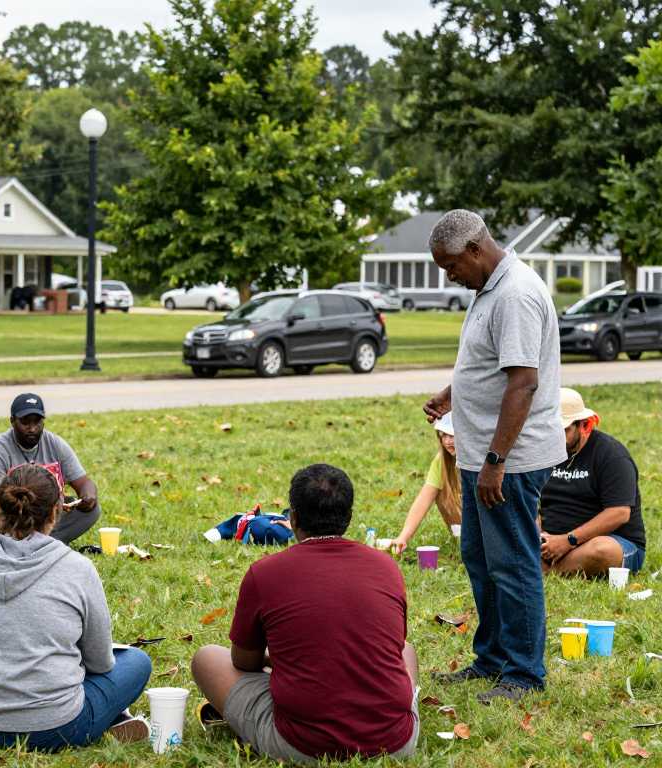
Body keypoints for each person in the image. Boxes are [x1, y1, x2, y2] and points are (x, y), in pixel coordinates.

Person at [424, 209, 565, 704]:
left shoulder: (516, 294)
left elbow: (524, 382)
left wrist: (496, 460)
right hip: (482, 450)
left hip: (511, 458)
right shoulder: (488, 288)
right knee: (480, 558)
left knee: (513, 562)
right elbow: (490, 363)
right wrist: (451, 394)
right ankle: (492, 660)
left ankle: (524, 674)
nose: (449, 276)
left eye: (450, 266)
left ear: (474, 251)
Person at [190, 464, 419, 762]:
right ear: (348, 518)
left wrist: (280, 659)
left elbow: (243, 661)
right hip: (395, 743)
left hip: (301, 745)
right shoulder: (387, 567)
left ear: (293, 518)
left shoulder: (264, 573)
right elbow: (390, 645)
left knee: (206, 658)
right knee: (407, 651)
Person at [0, 463, 152, 750]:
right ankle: (106, 719)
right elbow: (101, 662)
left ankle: (106, 718)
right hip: (53, 728)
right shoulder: (77, 568)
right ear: (57, 510)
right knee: (137, 662)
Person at [539, 388, 646, 577]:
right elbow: (531, 500)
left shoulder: (611, 455)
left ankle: (546, 571)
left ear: (585, 425)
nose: (555, 436)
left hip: (610, 542)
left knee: (601, 550)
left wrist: (568, 541)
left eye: (563, 430)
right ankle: (548, 564)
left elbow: (619, 513)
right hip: (552, 540)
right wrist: (537, 533)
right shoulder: (545, 451)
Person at [0, 393, 100, 544]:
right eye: (25, 422)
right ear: (12, 421)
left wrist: (88, 496)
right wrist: (31, 517)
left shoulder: (55, 444)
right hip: (6, 513)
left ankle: (32, 544)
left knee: (91, 510)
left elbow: (84, 483)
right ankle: (40, 544)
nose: (32, 428)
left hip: (44, 515)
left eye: (37, 422)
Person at [391, 412, 462, 555]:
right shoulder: (441, 461)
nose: (448, 441)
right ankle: (459, 536)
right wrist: (403, 537)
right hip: (464, 524)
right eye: (443, 435)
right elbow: (424, 500)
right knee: (441, 492)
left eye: (452, 435)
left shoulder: (479, 458)